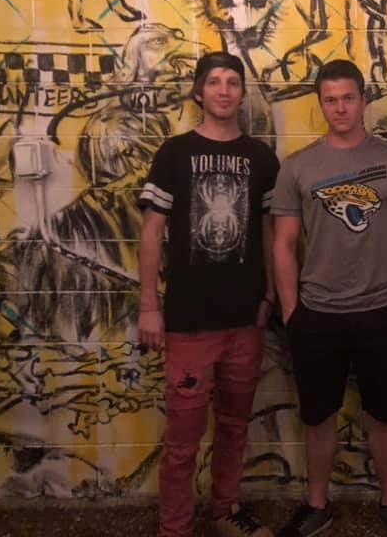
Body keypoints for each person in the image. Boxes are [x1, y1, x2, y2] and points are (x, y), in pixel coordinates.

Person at [272, 59, 387, 537]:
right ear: (321, 104)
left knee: (385, 417)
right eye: (330, 99)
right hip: (318, 315)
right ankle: (318, 504)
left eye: (348, 98)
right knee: (319, 416)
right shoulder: (297, 167)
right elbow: (283, 244)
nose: (340, 108)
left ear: (364, 99)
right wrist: (292, 311)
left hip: (383, 312)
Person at [138, 51, 280, 537]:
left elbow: (269, 232)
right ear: (199, 92)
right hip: (188, 322)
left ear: (242, 92)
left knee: (235, 427)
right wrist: (149, 307)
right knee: (182, 440)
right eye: (214, 82)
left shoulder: (262, 158)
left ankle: (225, 511)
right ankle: (174, 528)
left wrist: (270, 295)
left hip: (245, 319)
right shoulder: (174, 153)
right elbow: (151, 231)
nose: (224, 90)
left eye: (233, 82)